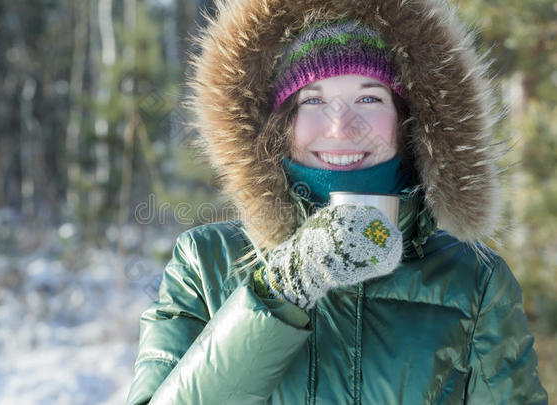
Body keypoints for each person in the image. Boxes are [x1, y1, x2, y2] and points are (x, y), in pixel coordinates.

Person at [127, 0, 549, 403]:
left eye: (369, 98)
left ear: (408, 120)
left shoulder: (475, 283)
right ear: (280, 123)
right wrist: (281, 290)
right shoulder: (204, 263)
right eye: (313, 100)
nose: (342, 127)